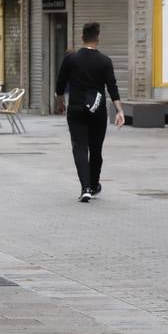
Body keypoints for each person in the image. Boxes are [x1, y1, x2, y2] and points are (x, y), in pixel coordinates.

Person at [55, 22, 125, 202]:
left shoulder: (71, 59)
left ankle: (85, 188)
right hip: (97, 111)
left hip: (76, 110)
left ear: (82, 37)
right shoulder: (105, 61)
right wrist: (119, 111)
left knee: (79, 147)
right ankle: (94, 185)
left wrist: (61, 103)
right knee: (96, 150)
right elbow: (112, 87)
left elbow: (60, 85)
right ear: (98, 38)